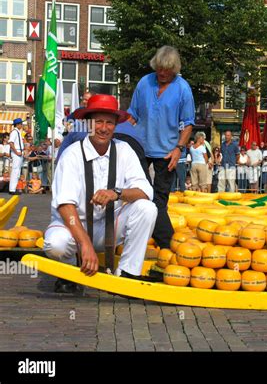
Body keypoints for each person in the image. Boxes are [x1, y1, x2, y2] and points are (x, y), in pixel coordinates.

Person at [43, 94, 157, 293]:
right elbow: (65, 205)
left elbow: (146, 191)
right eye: (98, 122)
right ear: (88, 123)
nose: (104, 128)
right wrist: (84, 243)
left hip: (108, 227)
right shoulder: (72, 155)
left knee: (147, 209)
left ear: (116, 125)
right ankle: (69, 272)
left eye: (109, 123)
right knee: (55, 243)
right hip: (73, 226)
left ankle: (127, 274)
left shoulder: (124, 150)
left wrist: (117, 193)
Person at [128, 46, 194, 249]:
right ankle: (160, 242)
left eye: (167, 70)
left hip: (167, 152)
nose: (162, 73)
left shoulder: (183, 88)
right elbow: (132, 115)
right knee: (139, 197)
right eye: (159, 69)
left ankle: (167, 245)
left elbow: (188, 123)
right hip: (140, 147)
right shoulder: (144, 83)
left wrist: (179, 148)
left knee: (158, 201)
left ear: (174, 70)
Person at [8, 118, 25, 195]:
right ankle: (12, 189)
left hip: (19, 153)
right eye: (21, 124)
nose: (22, 125)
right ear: (17, 124)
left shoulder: (18, 132)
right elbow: (11, 143)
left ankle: (14, 188)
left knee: (17, 171)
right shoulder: (14, 132)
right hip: (16, 153)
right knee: (15, 171)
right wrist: (16, 152)